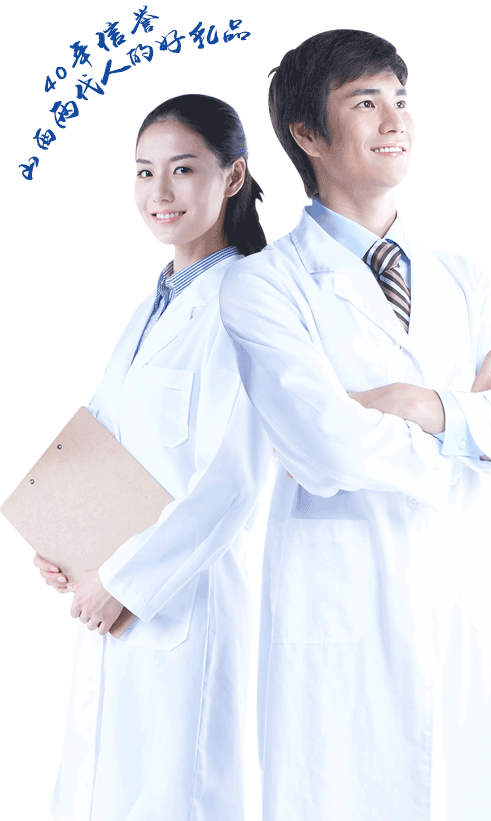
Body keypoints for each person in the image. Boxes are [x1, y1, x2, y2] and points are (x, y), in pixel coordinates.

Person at [218, 30, 491, 821]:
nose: (394, 119)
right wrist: (479, 429)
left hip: (465, 616)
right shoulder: (263, 287)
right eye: (366, 102)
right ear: (307, 135)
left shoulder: (463, 277)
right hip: (342, 629)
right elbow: (325, 447)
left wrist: (422, 405)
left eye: (401, 99)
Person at [33, 94, 272, 821]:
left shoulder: (248, 303)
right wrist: (63, 540)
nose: (159, 192)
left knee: (176, 794)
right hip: (108, 603)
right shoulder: (152, 307)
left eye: (182, 169)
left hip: (177, 610)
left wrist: (126, 581)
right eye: (144, 171)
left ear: (233, 177)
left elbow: (232, 484)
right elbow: (101, 441)